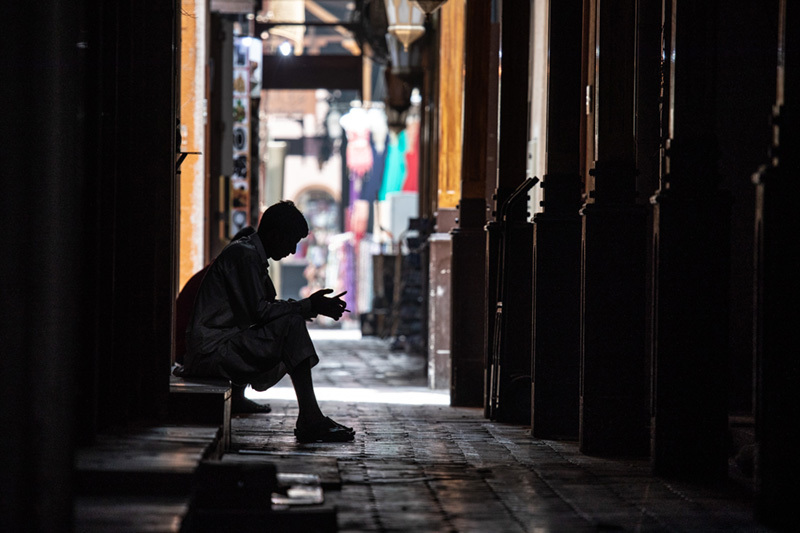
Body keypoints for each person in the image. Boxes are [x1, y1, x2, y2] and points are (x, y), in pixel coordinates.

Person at [175, 200, 354, 443]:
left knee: (291, 322)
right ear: (274, 234)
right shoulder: (244, 256)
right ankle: (310, 417)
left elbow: (267, 307)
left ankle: (310, 415)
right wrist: (306, 306)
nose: (292, 251)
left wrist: (307, 308)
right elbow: (258, 313)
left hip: (218, 346)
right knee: (291, 325)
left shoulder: (253, 257)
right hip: (211, 351)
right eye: (291, 241)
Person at [174, 226, 271, 415]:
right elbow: (251, 314)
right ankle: (238, 397)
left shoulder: (218, 269)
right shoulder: (228, 273)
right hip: (185, 348)